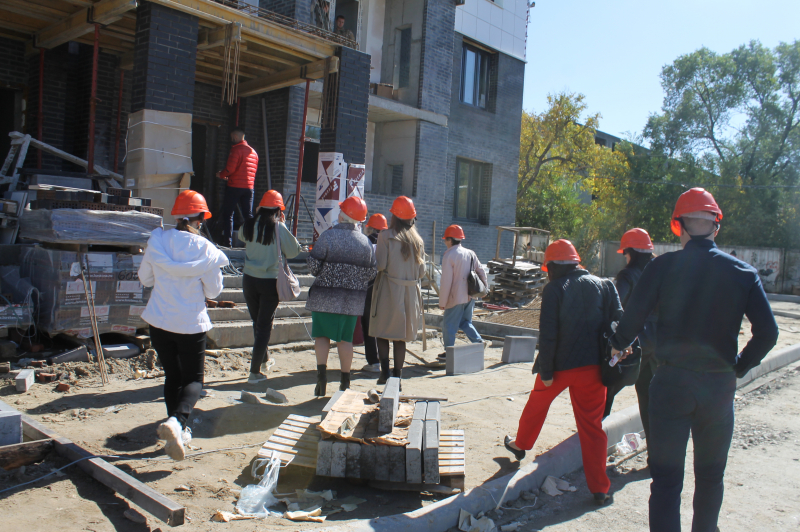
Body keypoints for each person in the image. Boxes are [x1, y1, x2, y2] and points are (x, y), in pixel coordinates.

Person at [610, 188, 779, 532]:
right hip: (718, 388)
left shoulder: (661, 267)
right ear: (716, 226)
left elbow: (631, 321)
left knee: (667, 481)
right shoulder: (743, 273)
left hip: (671, 385)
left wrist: (616, 345)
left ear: (678, 225)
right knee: (711, 476)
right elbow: (768, 333)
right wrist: (739, 367)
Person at [504, 239, 620, 506]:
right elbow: (619, 320)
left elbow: (548, 334)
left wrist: (546, 370)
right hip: (593, 369)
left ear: (553, 266)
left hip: (558, 368)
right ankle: (600, 488)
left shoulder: (554, 289)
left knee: (537, 404)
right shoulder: (605, 285)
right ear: (576, 262)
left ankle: (520, 445)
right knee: (592, 428)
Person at [138, 190, 230, 461]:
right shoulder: (206, 250)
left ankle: (178, 429)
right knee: (193, 380)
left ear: (178, 215)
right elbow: (213, 292)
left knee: (173, 377)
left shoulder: (159, 241)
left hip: (159, 320)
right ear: (200, 218)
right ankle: (178, 423)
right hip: (190, 323)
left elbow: (145, 279)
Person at [306, 197, 376, 396]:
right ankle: (345, 383)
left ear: (343, 215)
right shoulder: (365, 243)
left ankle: (321, 379)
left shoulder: (328, 236)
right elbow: (371, 274)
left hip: (324, 297)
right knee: (345, 340)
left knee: (322, 336)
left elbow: (313, 266)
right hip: (351, 301)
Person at [240, 190, 303, 385]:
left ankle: (265, 360)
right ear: (277, 209)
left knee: (257, 322)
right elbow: (294, 251)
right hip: (269, 282)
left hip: (249, 279)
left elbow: (242, 236)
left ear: (260, 207)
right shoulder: (278, 227)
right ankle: (254, 372)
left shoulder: (249, 224)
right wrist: (282, 223)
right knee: (264, 325)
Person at [603, 228, 658, 441]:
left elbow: (615, 305)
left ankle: (592, 434)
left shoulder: (628, 274)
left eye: (625, 253)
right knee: (647, 395)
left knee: (608, 384)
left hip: (635, 342)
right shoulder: (660, 270)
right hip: (659, 342)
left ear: (631, 252)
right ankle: (656, 457)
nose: (625, 257)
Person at [369, 196, 426, 388]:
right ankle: (397, 378)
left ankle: (385, 373)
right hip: (410, 293)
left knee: (382, 331)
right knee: (401, 337)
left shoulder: (385, 236)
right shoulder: (418, 240)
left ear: (394, 215)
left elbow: (381, 265)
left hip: (388, 290)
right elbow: (421, 272)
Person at [437, 224, 487, 361]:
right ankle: (478, 343)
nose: (444, 242)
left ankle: (449, 352)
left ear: (450, 240)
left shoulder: (449, 256)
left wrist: (442, 302)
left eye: (445, 240)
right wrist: (484, 289)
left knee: (448, 325)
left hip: (455, 297)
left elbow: (446, 281)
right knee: (465, 322)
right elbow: (481, 271)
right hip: (471, 295)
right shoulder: (470, 253)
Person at [216, 128, 258, 248]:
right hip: (249, 188)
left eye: (231, 138)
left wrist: (221, 175)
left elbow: (230, 169)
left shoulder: (236, 150)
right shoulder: (254, 152)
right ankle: (252, 242)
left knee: (228, 214)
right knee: (248, 215)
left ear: (235, 136)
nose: (231, 140)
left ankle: (227, 243)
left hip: (234, 187)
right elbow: (247, 172)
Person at [360, 213, 388, 374]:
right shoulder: (389, 244)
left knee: (368, 325)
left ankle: (373, 361)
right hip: (386, 289)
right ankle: (384, 360)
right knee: (382, 325)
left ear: (370, 228)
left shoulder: (366, 243)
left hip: (369, 288)